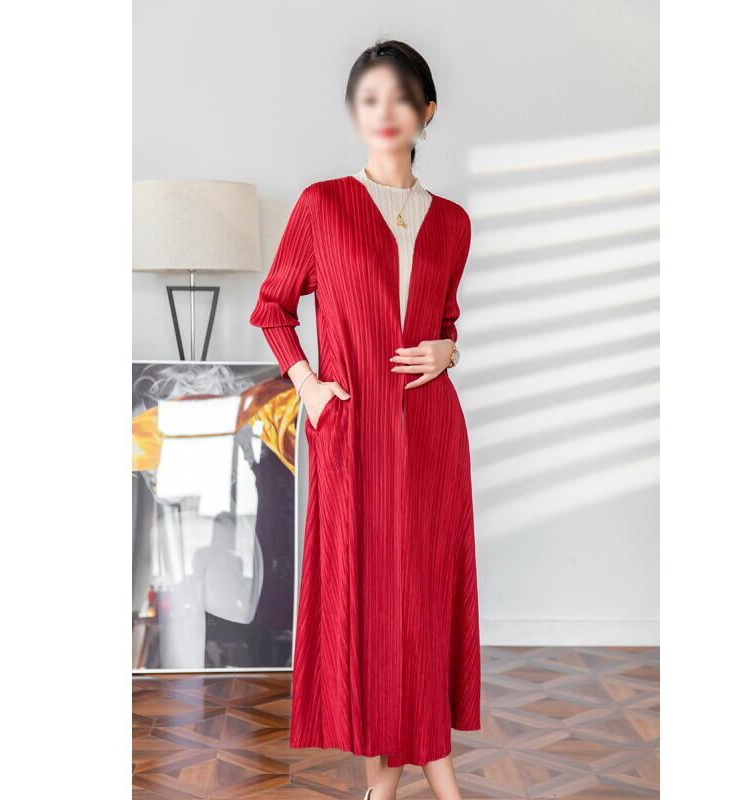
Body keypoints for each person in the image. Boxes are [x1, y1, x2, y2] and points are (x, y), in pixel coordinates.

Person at [249, 39, 480, 800]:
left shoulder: (453, 222)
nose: (384, 111)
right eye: (369, 97)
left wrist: (449, 348)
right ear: (355, 112)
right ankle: (434, 778)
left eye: (400, 97)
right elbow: (273, 307)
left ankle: (388, 787)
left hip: (433, 433)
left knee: (423, 599)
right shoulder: (323, 205)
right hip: (354, 433)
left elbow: (445, 320)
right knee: (376, 602)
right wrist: (308, 385)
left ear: (426, 111)